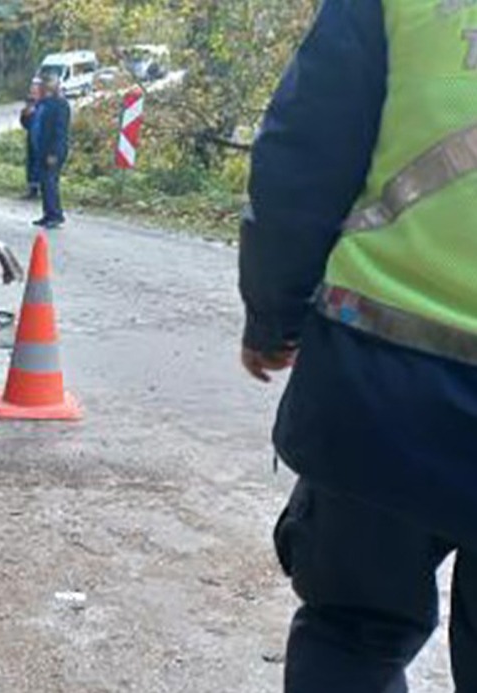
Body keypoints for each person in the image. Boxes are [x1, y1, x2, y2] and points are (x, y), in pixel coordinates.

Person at [241, 1, 477, 691]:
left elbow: (304, 152)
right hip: (380, 369)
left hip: (382, 374)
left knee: (352, 634)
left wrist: (272, 318)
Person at [29, 76, 70, 228]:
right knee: (45, 183)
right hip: (41, 149)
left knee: (50, 182)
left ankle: (56, 215)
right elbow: (33, 124)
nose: (47, 87)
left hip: (53, 150)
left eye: (50, 84)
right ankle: (47, 214)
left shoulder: (60, 104)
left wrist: (54, 152)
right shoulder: (42, 103)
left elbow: (60, 131)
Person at [20, 80, 45, 198]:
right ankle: (32, 189)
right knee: (31, 163)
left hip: (42, 139)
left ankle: (41, 189)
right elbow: (25, 124)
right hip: (32, 137)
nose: (33, 93)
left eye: (35, 91)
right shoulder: (30, 104)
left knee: (40, 165)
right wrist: (25, 115)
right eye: (32, 91)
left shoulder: (44, 105)